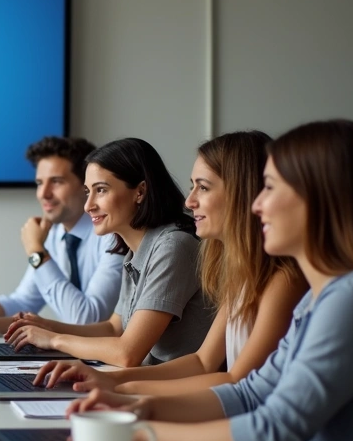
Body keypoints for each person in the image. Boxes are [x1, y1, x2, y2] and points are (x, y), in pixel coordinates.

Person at [67, 120, 353, 441]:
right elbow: (250, 393)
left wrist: (135, 434)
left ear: (322, 199)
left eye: (271, 188)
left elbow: (270, 436)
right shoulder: (323, 298)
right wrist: (139, 408)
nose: (258, 204)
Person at [34, 131, 306, 394]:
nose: (190, 200)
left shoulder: (177, 245)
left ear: (242, 194)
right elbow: (201, 362)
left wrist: (118, 385)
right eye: (192, 186)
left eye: (203, 187)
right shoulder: (239, 273)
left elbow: (236, 382)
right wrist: (110, 381)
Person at [4, 138, 212, 367]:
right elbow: (114, 328)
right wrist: (49, 326)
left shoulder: (173, 246)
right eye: (87, 191)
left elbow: (127, 353)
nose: (88, 205)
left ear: (140, 191)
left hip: (173, 392)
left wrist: (54, 339)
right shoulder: (135, 252)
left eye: (100, 190)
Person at [0, 137, 124, 335]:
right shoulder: (53, 234)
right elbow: (24, 300)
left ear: (86, 185)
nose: (43, 193)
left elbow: (86, 319)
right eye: (40, 183)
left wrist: (36, 250)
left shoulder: (114, 236)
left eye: (56, 182)